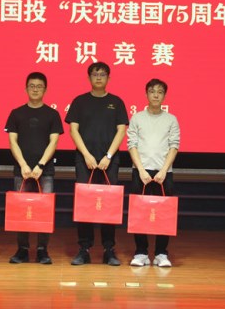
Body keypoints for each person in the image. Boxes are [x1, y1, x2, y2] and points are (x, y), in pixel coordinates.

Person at [65, 61, 129, 266]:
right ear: (89, 78)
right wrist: (87, 155)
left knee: (109, 204)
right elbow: (73, 130)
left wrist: (108, 156)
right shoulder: (80, 101)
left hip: (110, 161)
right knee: (84, 204)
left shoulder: (116, 102)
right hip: (85, 160)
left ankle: (109, 249)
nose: (98, 77)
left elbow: (121, 130)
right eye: (95, 74)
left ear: (108, 78)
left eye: (102, 74)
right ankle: (84, 249)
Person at [4, 72, 64, 265]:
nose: (35, 89)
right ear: (26, 89)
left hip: (44, 172)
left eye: (39, 86)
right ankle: (22, 249)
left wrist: (40, 165)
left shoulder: (52, 114)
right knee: (21, 210)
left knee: (44, 211)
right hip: (21, 170)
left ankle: (42, 250)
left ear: (45, 90)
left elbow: (54, 142)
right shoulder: (16, 113)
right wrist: (23, 164)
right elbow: (12, 141)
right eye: (32, 86)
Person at [127, 78, 180, 268]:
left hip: (164, 173)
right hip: (140, 172)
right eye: (152, 91)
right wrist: (141, 169)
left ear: (164, 95)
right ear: (146, 94)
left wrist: (164, 170)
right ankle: (141, 252)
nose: (156, 95)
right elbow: (132, 145)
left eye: (159, 92)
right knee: (139, 212)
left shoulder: (171, 119)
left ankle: (161, 253)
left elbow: (174, 146)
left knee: (164, 213)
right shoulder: (137, 118)